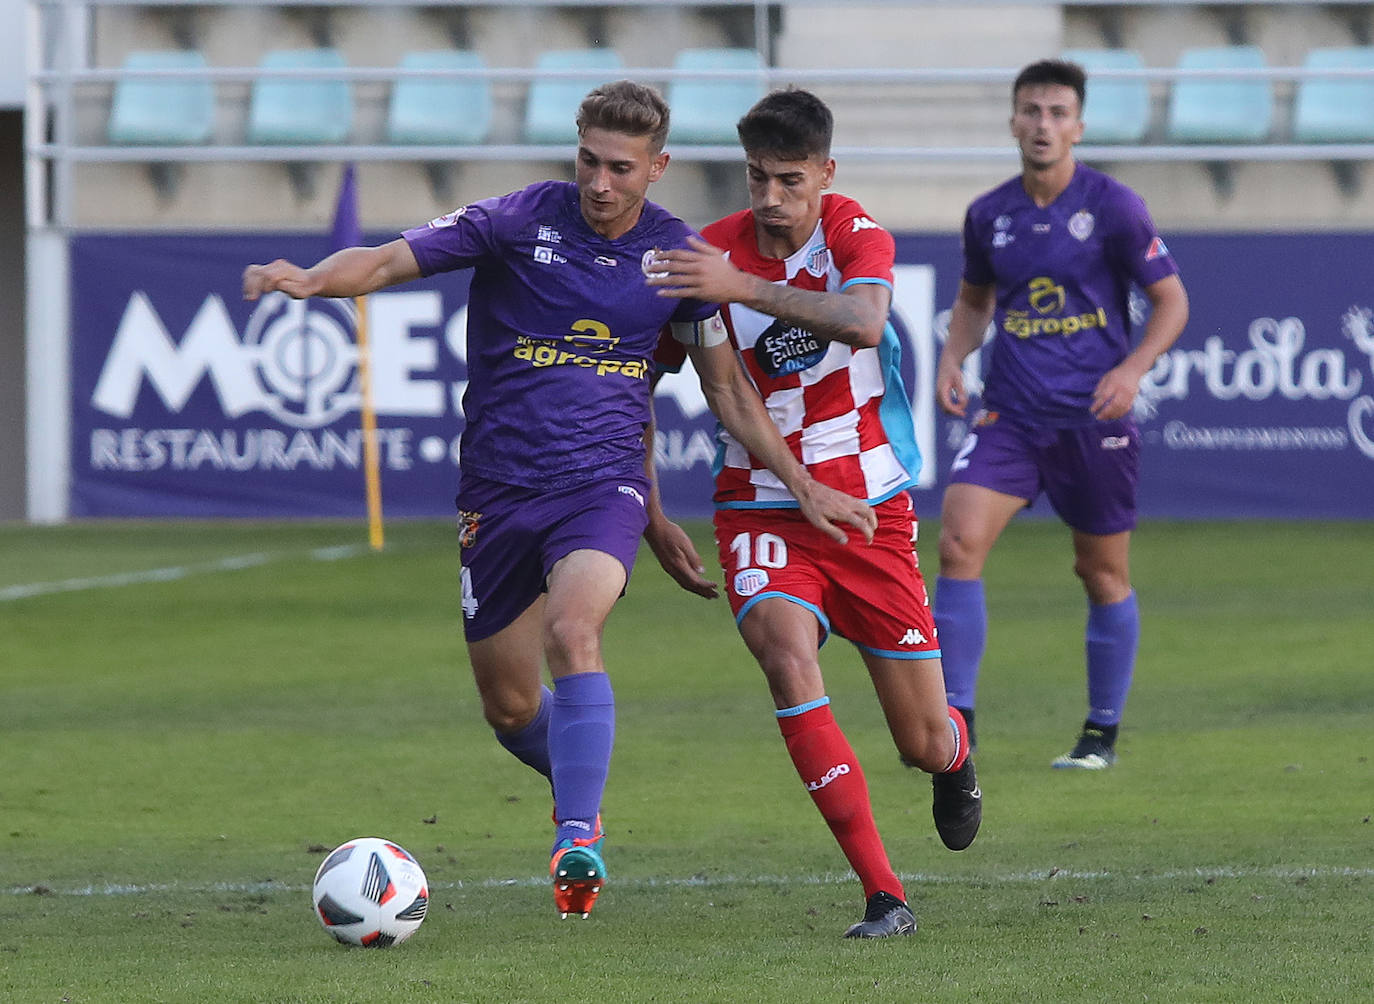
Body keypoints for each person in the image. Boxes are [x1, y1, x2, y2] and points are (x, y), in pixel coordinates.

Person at [242, 80, 874, 920]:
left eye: (620, 167)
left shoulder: (677, 259)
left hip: (598, 488)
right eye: (588, 161)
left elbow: (727, 393)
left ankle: (577, 838)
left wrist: (799, 486)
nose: (600, 182)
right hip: (497, 493)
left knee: (575, 630)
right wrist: (311, 279)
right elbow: (390, 259)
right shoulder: (514, 220)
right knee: (508, 707)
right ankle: (583, 763)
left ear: (658, 167)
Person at [646, 88, 981, 939]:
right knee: (787, 659)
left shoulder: (852, 232)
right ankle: (884, 895)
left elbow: (865, 323)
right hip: (758, 504)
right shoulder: (705, 255)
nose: (769, 199)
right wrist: (645, 507)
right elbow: (654, 386)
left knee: (921, 739)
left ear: (825, 174)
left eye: (790, 181)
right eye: (757, 178)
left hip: (870, 510)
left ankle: (956, 760)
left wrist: (742, 287)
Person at [932, 59, 1189, 770]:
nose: (1042, 124)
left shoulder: (1113, 207)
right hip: (1010, 414)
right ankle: (957, 722)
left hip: (1093, 422)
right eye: (1030, 111)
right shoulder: (989, 213)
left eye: (1056, 113)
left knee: (1099, 572)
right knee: (957, 545)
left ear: (1078, 125)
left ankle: (1100, 733)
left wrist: (1132, 368)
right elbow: (976, 300)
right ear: (1013, 120)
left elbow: (1172, 300)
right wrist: (953, 358)